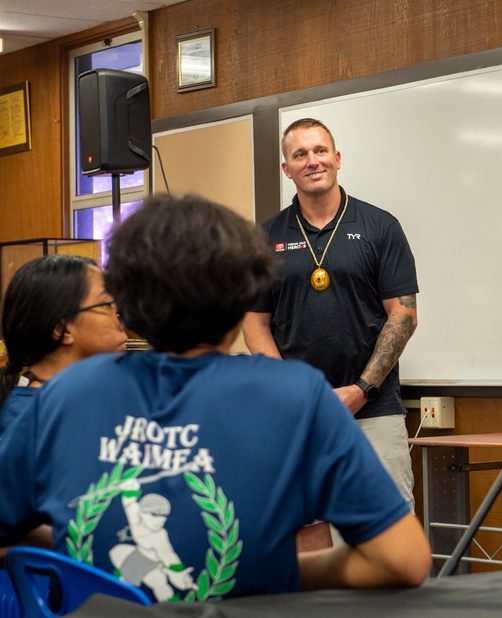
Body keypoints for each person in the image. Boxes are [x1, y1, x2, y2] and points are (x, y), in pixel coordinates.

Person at [0, 194, 431, 600]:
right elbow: (404, 560)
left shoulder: (65, 391)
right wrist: (274, 571)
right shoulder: (294, 395)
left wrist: (87, 556)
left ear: (127, 301)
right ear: (245, 295)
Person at [243, 118, 419, 507]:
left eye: (320, 150)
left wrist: (361, 390)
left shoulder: (380, 227)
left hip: (374, 411)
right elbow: (254, 323)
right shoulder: (263, 237)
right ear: (287, 169)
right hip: (297, 416)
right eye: (300, 154)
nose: (312, 161)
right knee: (307, 537)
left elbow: (404, 316)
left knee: (389, 535)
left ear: (337, 159)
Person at [0, 254, 128, 435]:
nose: (121, 325)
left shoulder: (73, 400)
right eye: (106, 306)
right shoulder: (36, 420)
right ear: (62, 330)